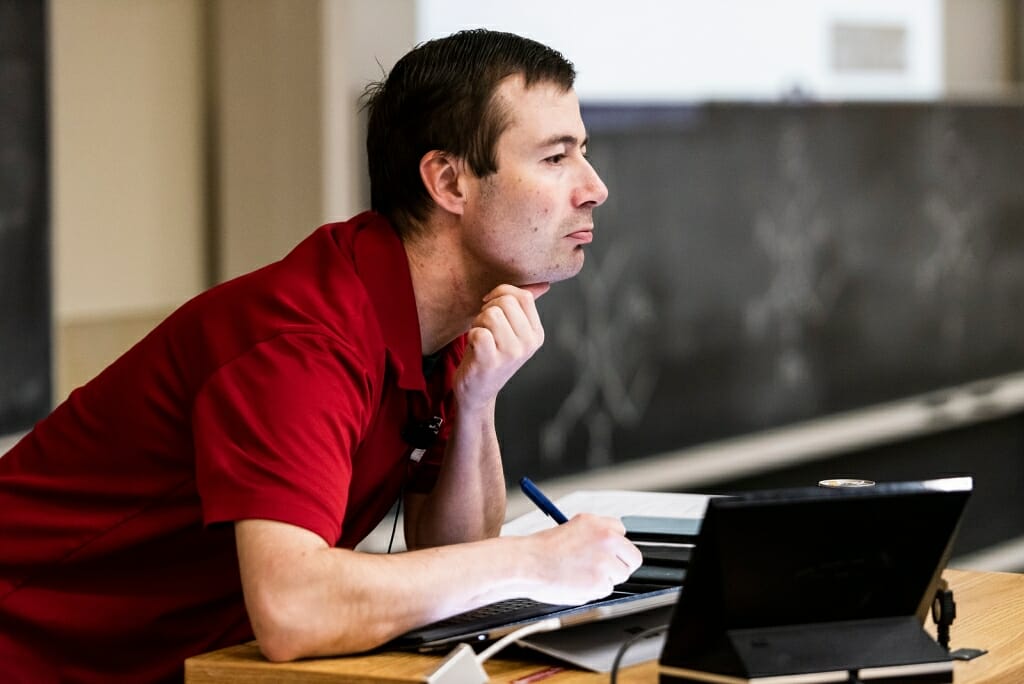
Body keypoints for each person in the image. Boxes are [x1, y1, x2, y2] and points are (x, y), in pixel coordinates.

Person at [0, 28, 640, 683]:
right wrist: (533, 561)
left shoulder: (434, 324)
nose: (594, 187)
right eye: (556, 158)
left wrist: (476, 403)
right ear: (448, 181)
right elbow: (293, 608)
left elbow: (452, 563)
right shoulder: (305, 339)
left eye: (582, 152)